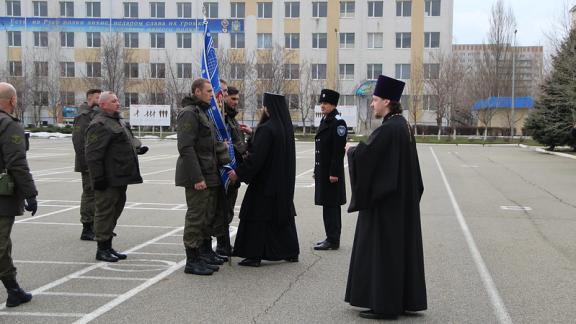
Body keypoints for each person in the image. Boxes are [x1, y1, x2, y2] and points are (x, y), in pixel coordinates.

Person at [344, 75, 427, 320]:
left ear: (387, 101)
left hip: (386, 206)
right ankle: (399, 301)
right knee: (395, 253)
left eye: (376, 99)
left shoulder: (390, 129)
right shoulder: (402, 126)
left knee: (382, 254)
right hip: (399, 204)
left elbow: (369, 158)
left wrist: (352, 151)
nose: (372, 104)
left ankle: (385, 306)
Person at [228, 92, 299, 267]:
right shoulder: (284, 128)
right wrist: (255, 134)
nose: (263, 109)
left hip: (265, 183)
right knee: (282, 216)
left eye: (264, 106)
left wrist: (239, 172)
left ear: (269, 108)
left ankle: (253, 254)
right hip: (281, 183)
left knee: (255, 217)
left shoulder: (267, 129)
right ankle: (290, 251)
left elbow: (256, 158)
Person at [176, 79, 229, 276]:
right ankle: (192, 259)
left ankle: (203, 254)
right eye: (208, 91)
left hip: (209, 172)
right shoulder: (189, 113)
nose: (212, 95)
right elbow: (186, 147)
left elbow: (211, 144)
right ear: (197, 91)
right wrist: (197, 177)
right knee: (196, 216)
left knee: (206, 216)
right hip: (197, 174)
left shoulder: (203, 112)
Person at [85, 91, 144, 262]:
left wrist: (137, 149)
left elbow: (122, 144)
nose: (117, 103)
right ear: (102, 105)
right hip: (108, 178)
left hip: (120, 177)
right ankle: (102, 248)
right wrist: (98, 178)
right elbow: (93, 155)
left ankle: (108, 245)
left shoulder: (117, 121)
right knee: (105, 212)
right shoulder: (100, 124)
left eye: (117, 100)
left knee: (115, 211)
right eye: (113, 101)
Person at [0, 82, 37, 307]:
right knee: (1, 243)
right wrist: (30, 193)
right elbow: (16, 162)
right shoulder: (8, 124)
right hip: (2, 196)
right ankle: (13, 289)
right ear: (12, 101)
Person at [313, 89, 347, 251]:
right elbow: (320, 149)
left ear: (333, 105)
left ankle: (333, 240)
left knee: (332, 206)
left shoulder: (338, 123)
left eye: (325, 103)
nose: (322, 105)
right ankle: (330, 237)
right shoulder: (326, 120)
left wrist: (334, 173)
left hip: (332, 173)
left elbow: (338, 151)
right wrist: (316, 170)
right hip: (324, 171)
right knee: (327, 205)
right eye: (321, 103)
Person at [216, 86, 247, 257]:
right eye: (232, 98)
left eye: (236, 99)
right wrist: (245, 148)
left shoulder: (231, 118)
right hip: (225, 169)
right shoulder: (221, 118)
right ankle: (221, 245)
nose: (236, 102)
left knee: (228, 208)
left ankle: (224, 243)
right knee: (222, 209)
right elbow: (229, 142)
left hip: (234, 168)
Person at [72, 89, 101, 241]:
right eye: (98, 97)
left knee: (98, 194)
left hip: (97, 162)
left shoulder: (95, 113)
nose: (100, 99)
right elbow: (78, 141)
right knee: (89, 194)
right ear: (90, 98)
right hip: (88, 163)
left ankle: (97, 226)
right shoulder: (83, 115)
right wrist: (87, 163)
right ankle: (87, 227)